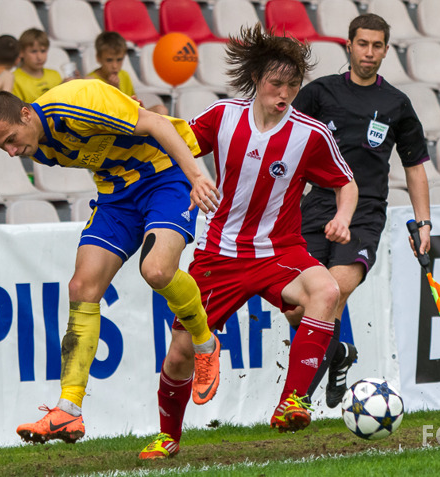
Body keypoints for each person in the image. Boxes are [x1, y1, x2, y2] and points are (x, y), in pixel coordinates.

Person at [138, 24, 359, 460]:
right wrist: (188, 177)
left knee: (327, 290)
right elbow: (176, 149)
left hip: (280, 251)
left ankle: (292, 401)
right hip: (219, 255)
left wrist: (343, 217)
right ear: (257, 79)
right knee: (180, 355)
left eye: (293, 85)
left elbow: (346, 183)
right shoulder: (222, 117)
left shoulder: (310, 134)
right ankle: (168, 437)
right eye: (277, 83)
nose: (285, 93)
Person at [0, 79, 222, 444]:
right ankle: (68, 410)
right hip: (116, 193)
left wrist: (196, 175)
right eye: (1, 148)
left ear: (26, 113)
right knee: (81, 288)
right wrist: (119, 104)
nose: (11, 152)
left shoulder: (73, 105)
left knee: (156, 271)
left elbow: (156, 124)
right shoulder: (36, 145)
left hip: (165, 174)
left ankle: (204, 344)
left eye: (10, 139)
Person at [289, 13, 431, 409]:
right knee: (297, 309)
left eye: (377, 45)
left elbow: (415, 167)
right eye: (362, 44)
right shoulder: (318, 94)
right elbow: (287, 146)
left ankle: (297, 401)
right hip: (316, 207)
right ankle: (339, 355)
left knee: (330, 294)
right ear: (349, 46)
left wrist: (423, 223)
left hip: (366, 214)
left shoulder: (397, 104)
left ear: (386, 50)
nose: (369, 53)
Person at [87, 31, 169, 115]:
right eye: (109, 60)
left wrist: (138, 106)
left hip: (129, 117)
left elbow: (132, 106)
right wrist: (114, 91)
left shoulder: (124, 75)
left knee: (161, 109)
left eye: (119, 60)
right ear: (98, 58)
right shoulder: (91, 81)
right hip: (110, 122)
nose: (115, 66)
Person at [12, 28, 63, 102]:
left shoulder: (55, 75)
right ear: (21, 52)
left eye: (43, 51)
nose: (39, 57)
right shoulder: (14, 79)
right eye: (33, 51)